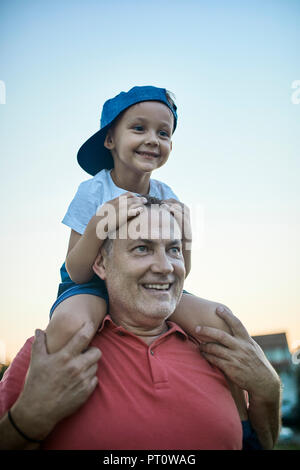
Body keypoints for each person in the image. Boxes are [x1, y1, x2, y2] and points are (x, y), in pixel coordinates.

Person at [0, 202, 281, 449]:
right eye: (142, 248)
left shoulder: (216, 346)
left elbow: (257, 445)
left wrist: (268, 390)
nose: (165, 266)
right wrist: (28, 418)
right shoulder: (51, 352)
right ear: (100, 264)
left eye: (174, 250)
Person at [45, 85, 238, 354]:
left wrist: (187, 234)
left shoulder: (165, 194)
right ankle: (50, 389)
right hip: (92, 286)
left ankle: (240, 396)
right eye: (139, 128)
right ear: (110, 139)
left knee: (218, 320)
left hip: (152, 285)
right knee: (71, 323)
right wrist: (101, 222)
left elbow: (182, 272)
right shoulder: (94, 191)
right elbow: (77, 272)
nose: (152, 139)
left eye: (163, 133)